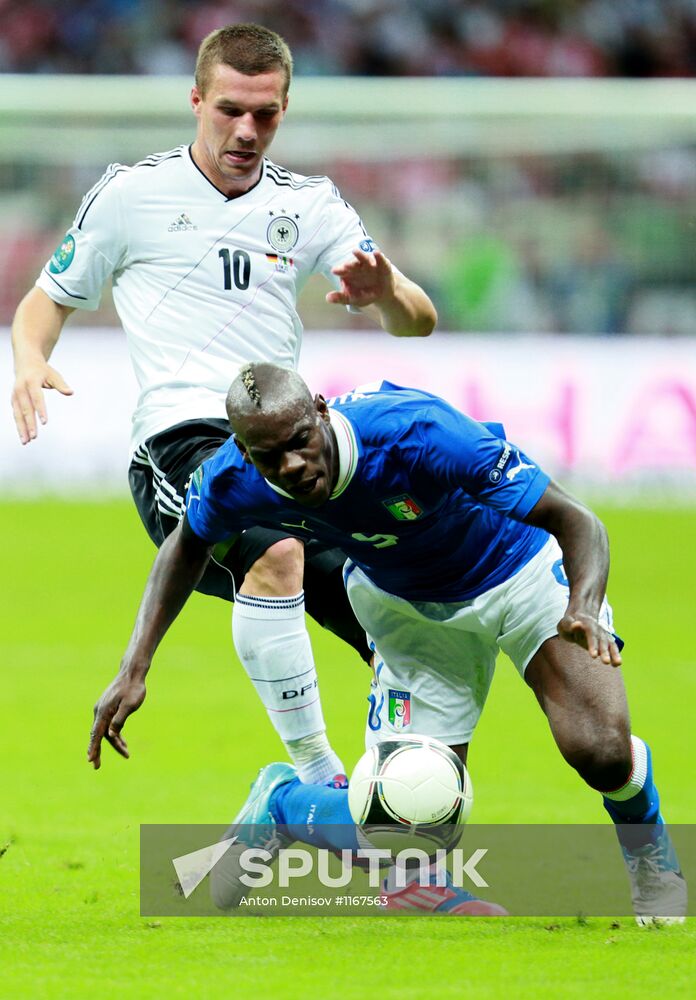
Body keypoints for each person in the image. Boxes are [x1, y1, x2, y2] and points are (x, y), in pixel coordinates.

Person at [89, 363, 686, 922]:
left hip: (518, 572)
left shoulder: (415, 433)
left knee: (601, 751)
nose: (292, 465)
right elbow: (186, 543)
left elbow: (578, 519)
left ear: (320, 410)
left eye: (301, 441)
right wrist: (134, 666)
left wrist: (584, 604)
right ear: (245, 453)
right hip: (408, 613)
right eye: (270, 457)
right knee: (402, 819)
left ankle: (650, 857)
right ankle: (285, 805)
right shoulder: (233, 477)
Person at [9, 24, 437, 787]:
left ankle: (384, 796)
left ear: (284, 110)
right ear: (197, 100)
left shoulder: (310, 204)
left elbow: (418, 321)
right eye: (230, 110)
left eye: (265, 114)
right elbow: (45, 300)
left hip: (290, 449)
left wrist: (387, 296)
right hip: (181, 439)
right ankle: (317, 780)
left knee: (397, 618)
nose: (246, 130)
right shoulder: (131, 196)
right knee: (276, 554)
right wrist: (30, 359)